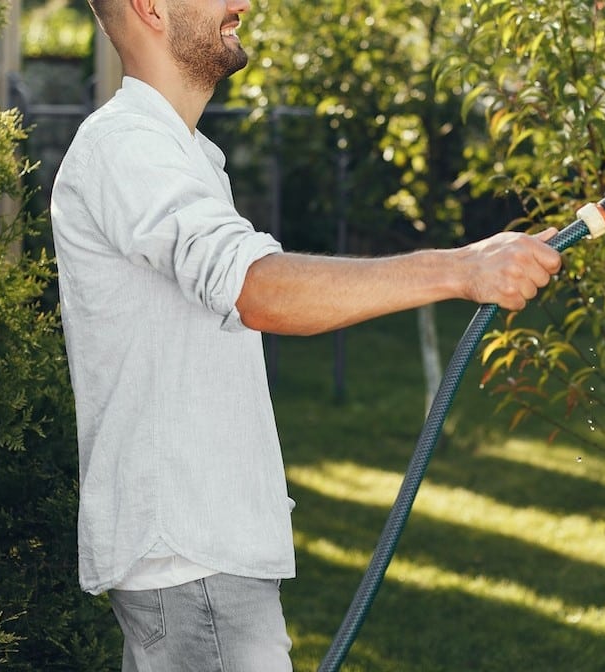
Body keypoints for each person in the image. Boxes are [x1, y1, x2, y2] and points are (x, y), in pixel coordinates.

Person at [49, 0, 563, 669]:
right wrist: (462, 269)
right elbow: (258, 289)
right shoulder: (128, 148)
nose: (243, 4)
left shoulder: (179, 153)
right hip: (192, 565)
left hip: (199, 563)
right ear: (150, 7)